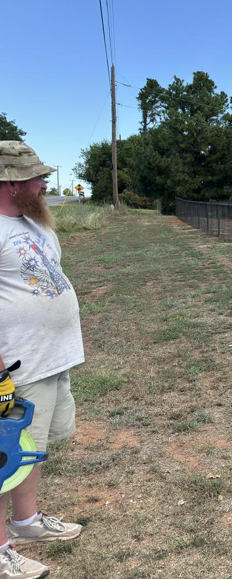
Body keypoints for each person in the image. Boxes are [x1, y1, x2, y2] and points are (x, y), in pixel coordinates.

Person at [0, 141, 83, 579]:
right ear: (12, 183)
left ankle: (27, 523)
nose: (45, 183)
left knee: (28, 451)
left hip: (50, 359)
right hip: (13, 368)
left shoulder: (39, 226)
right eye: (37, 177)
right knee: (3, 456)